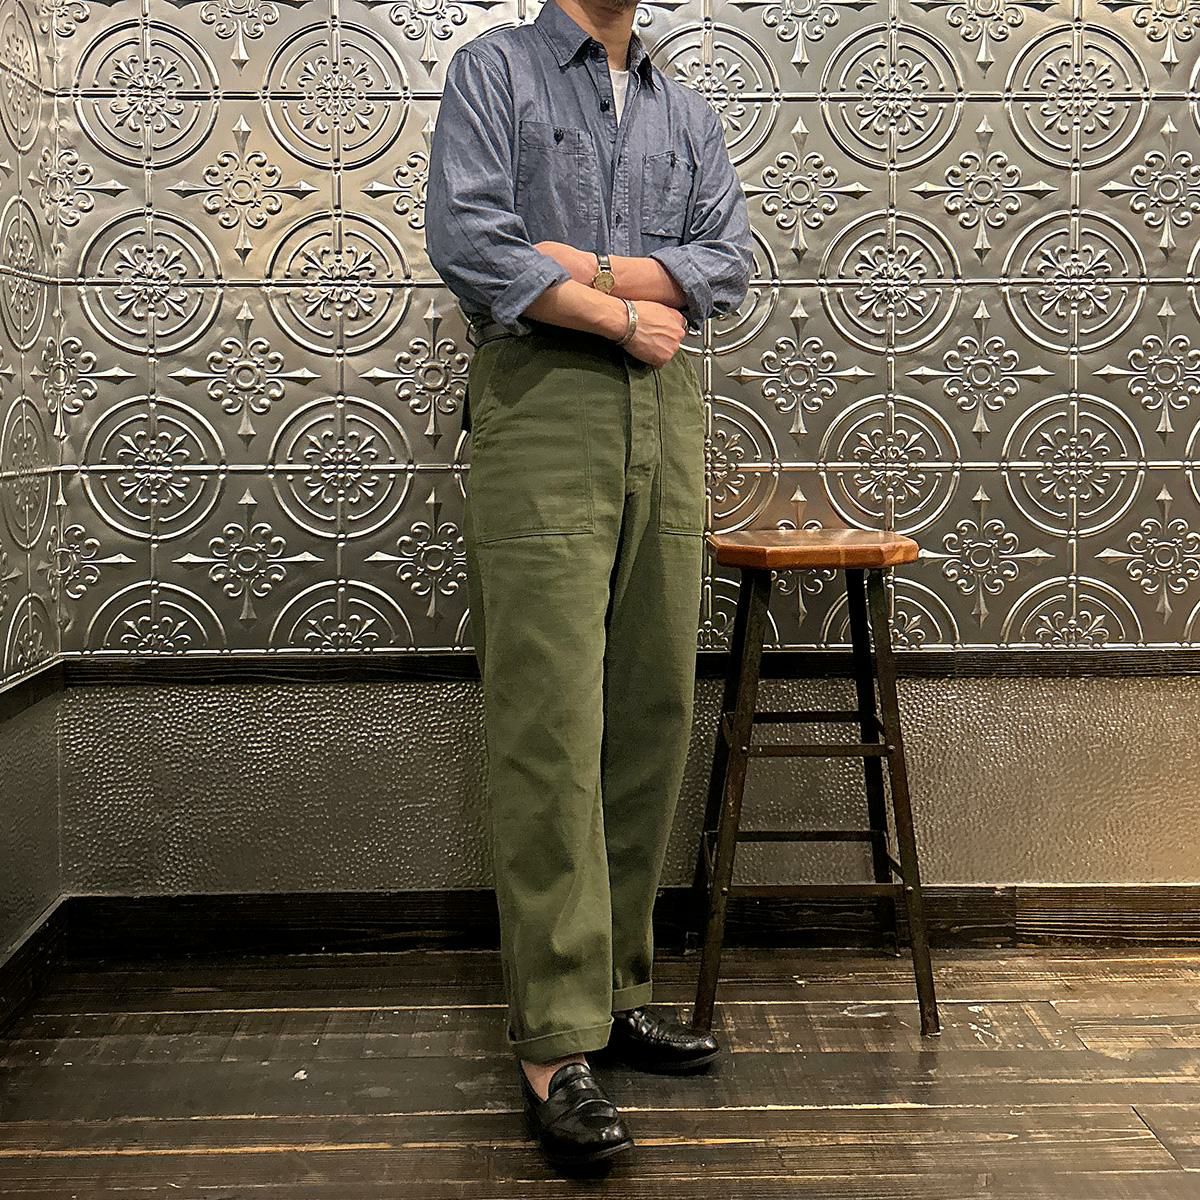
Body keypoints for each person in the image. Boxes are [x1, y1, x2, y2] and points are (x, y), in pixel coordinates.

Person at [425, 0, 754, 1170]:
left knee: (650, 709)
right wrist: (625, 313)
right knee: (551, 718)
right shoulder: (494, 72)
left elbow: (726, 263)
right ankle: (555, 1043)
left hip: (669, 414)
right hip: (542, 401)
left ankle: (614, 993)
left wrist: (580, 266)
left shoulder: (687, 106)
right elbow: (473, 240)